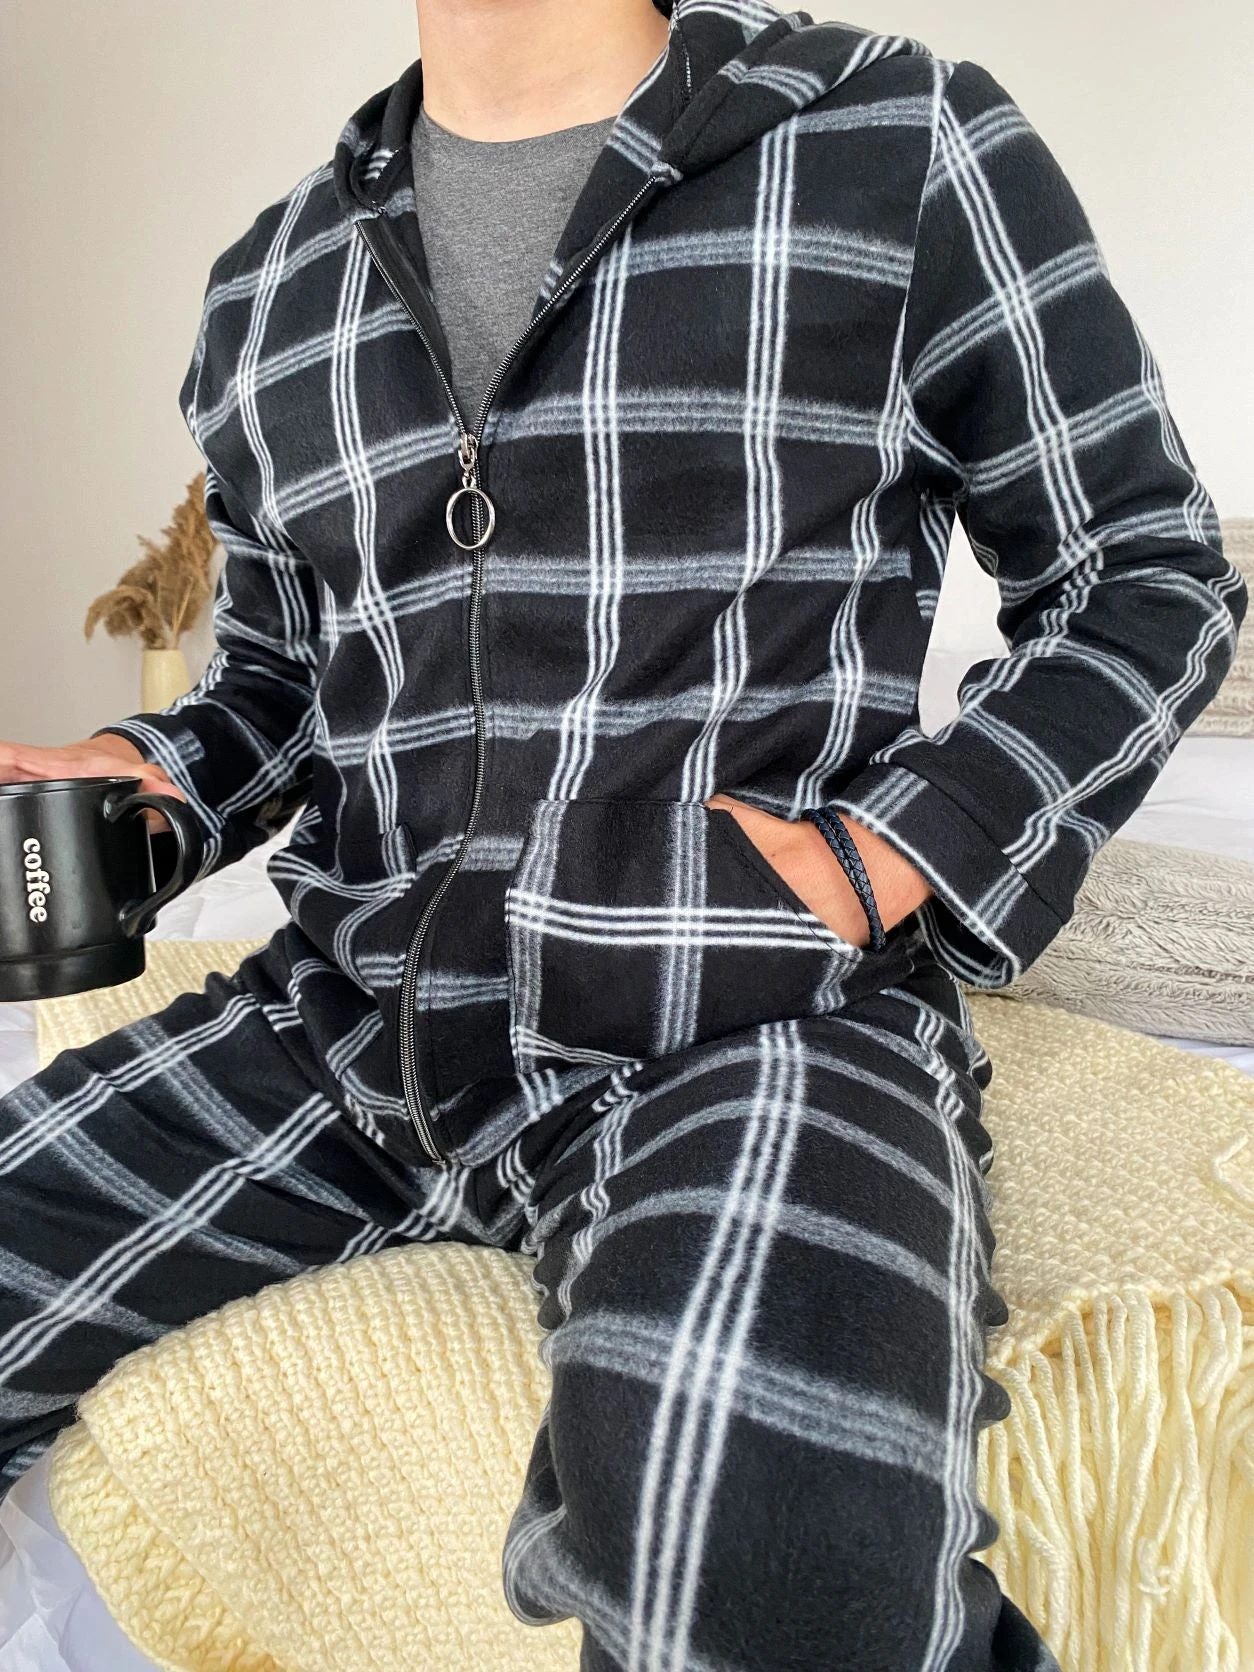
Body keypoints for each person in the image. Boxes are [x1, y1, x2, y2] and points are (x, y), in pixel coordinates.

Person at [0, 0, 1245, 1665]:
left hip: (747, 1012)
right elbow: (284, 687)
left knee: (755, 1557)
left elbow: (1144, 572)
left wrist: (886, 855)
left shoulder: (894, 139)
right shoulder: (268, 284)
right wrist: (150, 773)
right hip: (348, 1022)